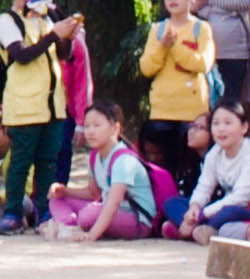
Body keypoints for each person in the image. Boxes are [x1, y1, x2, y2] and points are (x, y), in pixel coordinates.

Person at [0, 0, 85, 234]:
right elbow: (21, 55)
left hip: (53, 106)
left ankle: (44, 211)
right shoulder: (8, 20)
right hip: (24, 106)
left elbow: (64, 55)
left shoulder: (48, 19)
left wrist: (68, 37)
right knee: (21, 161)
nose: (44, 0)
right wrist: (54, 35)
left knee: (48, 161)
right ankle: (12, 213)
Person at [43, 103, 162, 240]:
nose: (90, 131)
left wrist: (91, 236)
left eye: (96, 125)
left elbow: (113, 204)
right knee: (56, 198)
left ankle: (67, 228)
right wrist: (65, 191)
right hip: (107, 211)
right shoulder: (95, 157)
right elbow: (93, 193)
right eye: (87, 126)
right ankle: (69, 227)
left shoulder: (123, 160)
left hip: (137, 220)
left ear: (115, 128)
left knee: (89, 214)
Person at [138, 0, 220, 153]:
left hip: (193, 112)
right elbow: (146, 68)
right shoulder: (157, 29)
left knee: (190, 162)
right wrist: (162, 46)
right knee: (162, 162)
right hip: (161, 109)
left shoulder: (202, 28)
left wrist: (174, 46)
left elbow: (203, 64)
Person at [184, 100, 250, 242]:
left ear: (244, 127)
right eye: (216, 124)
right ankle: (200, 228)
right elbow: (205, 186)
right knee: (172, 203)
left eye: (228, 123)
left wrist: (203, 214)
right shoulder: (215, 153)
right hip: (227, 206)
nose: (221, 129)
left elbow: (240, 198)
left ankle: (191, 228)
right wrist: (194, 207)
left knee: (227, 214)